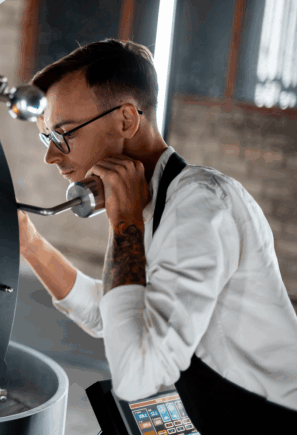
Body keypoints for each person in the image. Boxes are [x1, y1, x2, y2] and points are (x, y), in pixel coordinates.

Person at [18, 39, 297, 431]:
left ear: (126, 120)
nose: (51, 156)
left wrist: (125, 224)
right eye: (47, 137)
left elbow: (138, 376)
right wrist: (29, 243)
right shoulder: (149, 200)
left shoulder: (200, 206)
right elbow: (111, 313)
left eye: (63, 134)